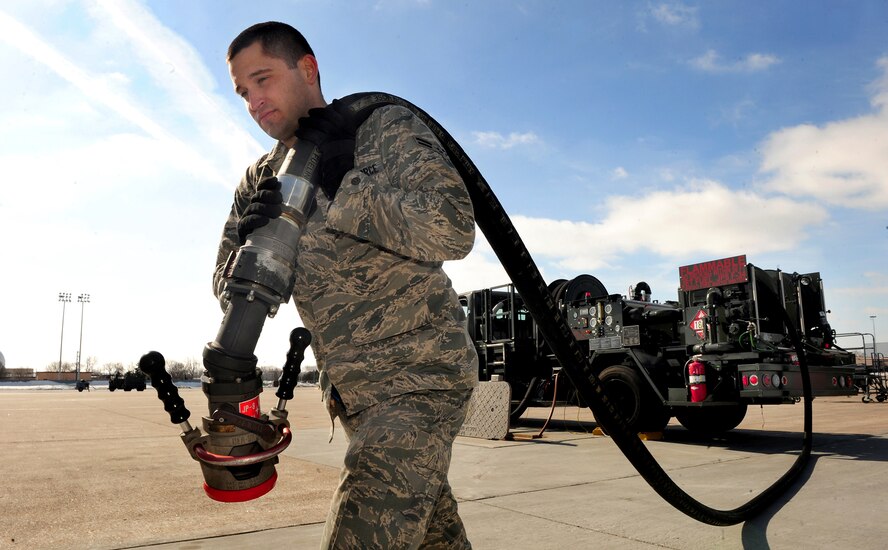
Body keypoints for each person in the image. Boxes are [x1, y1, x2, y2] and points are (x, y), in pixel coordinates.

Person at [216, 21, 479, 549]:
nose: (253, 101)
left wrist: (347, 188)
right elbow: (227, 293)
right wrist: (248, 249)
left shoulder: (380, 128)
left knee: (362, 532)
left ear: (306, 68)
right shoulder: (259, 179)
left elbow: (452, 227)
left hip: (419, 376)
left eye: (263, 80)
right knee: (433, 538)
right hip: (355, 395)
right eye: (244, 91)